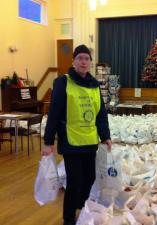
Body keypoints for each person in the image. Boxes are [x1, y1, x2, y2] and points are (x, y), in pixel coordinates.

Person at [42, 44, 112, 225]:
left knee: (90, 178)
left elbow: (100, 114)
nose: (83, 62)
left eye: (86, 58)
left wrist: (105, 136)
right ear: (73, 61)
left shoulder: (95, 85)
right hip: (71, 142)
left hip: (89, 142)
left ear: (90, 62)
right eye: (80, 58)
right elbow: (55, 113)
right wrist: (48, 141)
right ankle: (68, 218)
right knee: (74, 182)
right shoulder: (63, 82)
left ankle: (81, 207)